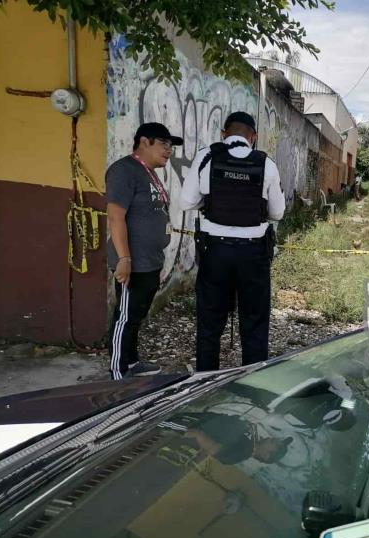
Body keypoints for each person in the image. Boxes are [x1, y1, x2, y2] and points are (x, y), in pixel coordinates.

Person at [181, 112, 285, 371]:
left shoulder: (207, 156)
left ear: (224, 134)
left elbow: (186, 201)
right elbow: (277, 213)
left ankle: (206, 381)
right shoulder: (266, 163)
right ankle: (253, 380)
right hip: (253, 255)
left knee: (209, 323)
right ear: (254, 137)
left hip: (215, 252)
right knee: (255, 323)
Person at [106, 122, 183, 380]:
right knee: (125, 318)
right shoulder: (124, 171)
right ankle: (118, 373)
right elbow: (116, 217)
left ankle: (132, 362)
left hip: (150, 261)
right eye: (164, 144)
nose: (169, 150)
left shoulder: (148, 173)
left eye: (171, 146)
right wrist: (124, 259)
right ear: (144, 142)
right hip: (133, 263)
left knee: (136, 316)